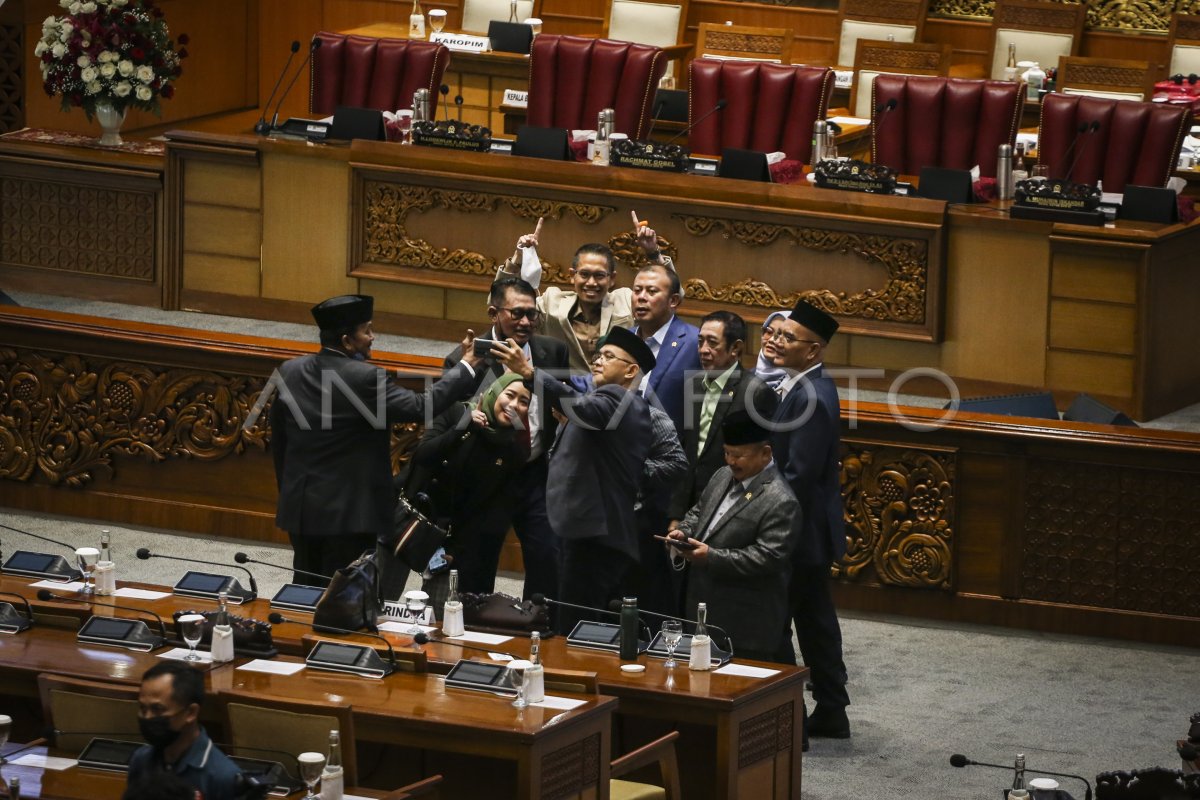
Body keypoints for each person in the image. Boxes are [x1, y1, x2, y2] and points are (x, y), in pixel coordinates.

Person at [269, 294, 482, 585]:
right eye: (367, 330)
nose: (373, 337)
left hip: (303, 506)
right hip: (348, 513)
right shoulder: (366, 378)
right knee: (345, 591)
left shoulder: (290, 370)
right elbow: (421, 407)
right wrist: (466, 366)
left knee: (305, 583)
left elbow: (279, 441)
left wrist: (291, 490)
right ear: (347, 341)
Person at [496, 326, 654, 633]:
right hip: (587, 532)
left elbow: (581, 405)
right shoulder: (606, 405)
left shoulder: (621, 399)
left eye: (609, 356)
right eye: (598, 355)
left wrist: (530, 373)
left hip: (597, 536)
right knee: (575, 623)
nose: (598, 360)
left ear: (631, 370)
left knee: (578, 629)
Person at [440, 277, 570, 600]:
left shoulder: (552, 352)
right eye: (516, 313)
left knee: (547, 557)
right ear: (493, 313)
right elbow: (447, 415)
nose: (526, 322)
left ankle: (539, 629)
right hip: (487, 479)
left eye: (532, 313)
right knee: (477, 564)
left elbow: (564, 401)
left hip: (536, 471)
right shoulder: (464, 359)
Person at [769, 298, 851, 740]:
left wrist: (759, 512)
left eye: (787, 338)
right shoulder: (801, 384)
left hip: (799, 532)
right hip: (806, 531)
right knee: (815, 619)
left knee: (778, 619)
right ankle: (831, 709)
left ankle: (791, 714)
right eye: (778, 334)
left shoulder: (812, 397)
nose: (777, 342)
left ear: (813, 349)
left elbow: (797, 476)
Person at [667, 410, 799, 664]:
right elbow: (699, 512)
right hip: (703, 608)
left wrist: (711, 557)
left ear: (765, 454)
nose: (731, 461)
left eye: (738, 455)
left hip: (745, 620)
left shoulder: (781, 501)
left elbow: (767, 558)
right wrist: (684, 531)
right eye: (727, 453)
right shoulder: (722, 476)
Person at [389, 373, 532, 604]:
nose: (514, 405)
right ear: (494, 393)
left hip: (451, 538)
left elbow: (492, 511)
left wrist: (456, 550)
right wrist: (463, 427)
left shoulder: (514, 451)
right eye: (510, 395)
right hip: (407, 520)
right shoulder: (456, 412)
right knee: (380, 600)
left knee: (440, 613)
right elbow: (424, 456)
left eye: (523, 401)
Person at [499, 212, 678, 375]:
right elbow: (500, 306)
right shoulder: (552, 302)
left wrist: (654, 254)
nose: (591, 283)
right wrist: (516, 260)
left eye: (599, 276)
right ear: (572, 276)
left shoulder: (625, 300)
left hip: (613, 398)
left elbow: (670, 300)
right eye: (584, 274)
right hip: (560, 397)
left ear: (612, 279)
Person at [668, 310, 778, 525]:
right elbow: (687, 451)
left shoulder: (755, 393)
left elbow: (756, 467)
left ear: (735, 348)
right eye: (700, 341)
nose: (703, 350)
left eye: (712, 343)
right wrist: (675, 514)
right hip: (688, 507)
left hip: (728, 510)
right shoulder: (693, 384)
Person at [127, 661, 242, 800]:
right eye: (143, 709)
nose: (147, 717)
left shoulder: (223, 777)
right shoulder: (141, 759)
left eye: (157, 709)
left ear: (191, 713)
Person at [631, 263, 701, 436]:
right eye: (637, 290)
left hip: (670, 451)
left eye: (652, 291)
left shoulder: (695, 342)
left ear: (673, 300)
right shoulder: (623, 339)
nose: (641, 297)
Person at [755, 310, 792, 390]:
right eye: (769, 332)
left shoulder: (796, 384)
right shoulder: (746, 376)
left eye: (780, 336)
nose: (772, 340)